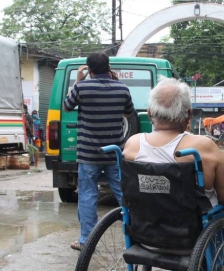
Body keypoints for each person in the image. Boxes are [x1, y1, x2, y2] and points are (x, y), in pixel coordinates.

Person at [123, 77, 224, 229]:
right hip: (194, 235)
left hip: (146, 233)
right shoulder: (202, 146)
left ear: (149, 113)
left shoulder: (133, 144)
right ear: (189, 115)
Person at [63, 51, 135, 251]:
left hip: (88, 155)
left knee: (87, 195)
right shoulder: (122, 88)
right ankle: (138, 234)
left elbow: (67, 107)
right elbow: (129, 112)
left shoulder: (81, 87)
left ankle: (86, 241)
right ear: (108, 67)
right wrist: (117, 85)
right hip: (114, 153)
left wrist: (77, 80)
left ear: (89, 69)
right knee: (123, 194)